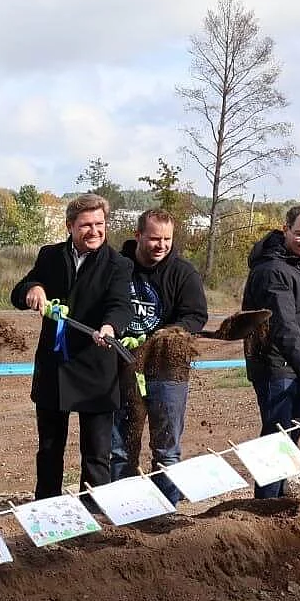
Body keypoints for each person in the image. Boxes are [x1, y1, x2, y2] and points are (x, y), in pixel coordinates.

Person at [11, 193, 133, 499]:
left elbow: (120, 306)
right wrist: (34, 289)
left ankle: (95, 511)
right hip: (55, 367)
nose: (94, 231)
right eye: (86, 225)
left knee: (96, 453)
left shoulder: (118, 265)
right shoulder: (50, 256)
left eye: (99, 224)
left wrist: (109, 327)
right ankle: (47, 509)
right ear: (70, 226)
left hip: (96, 367)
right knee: (50, 449)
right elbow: (18, 292)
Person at [109, 209, 209, 502]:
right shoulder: (119, 267)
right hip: (123, 364)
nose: (161, 245)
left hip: (169, 368)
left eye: (167, 239)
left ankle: (166, 509)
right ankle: (122, 506)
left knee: (166, 449)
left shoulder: (183, 272)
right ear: (138, 235)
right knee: (120, 446)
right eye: (154, 239)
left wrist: (168, 333)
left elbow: (196, 315)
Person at [241, 203, 300, 499]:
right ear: (285, 229)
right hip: (274, 363)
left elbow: (297, 311)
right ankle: (266, 504)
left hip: (293, 361)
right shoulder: (273, 269)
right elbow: (282, 325)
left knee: (288, 435)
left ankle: (273, 499)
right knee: (277, 437)